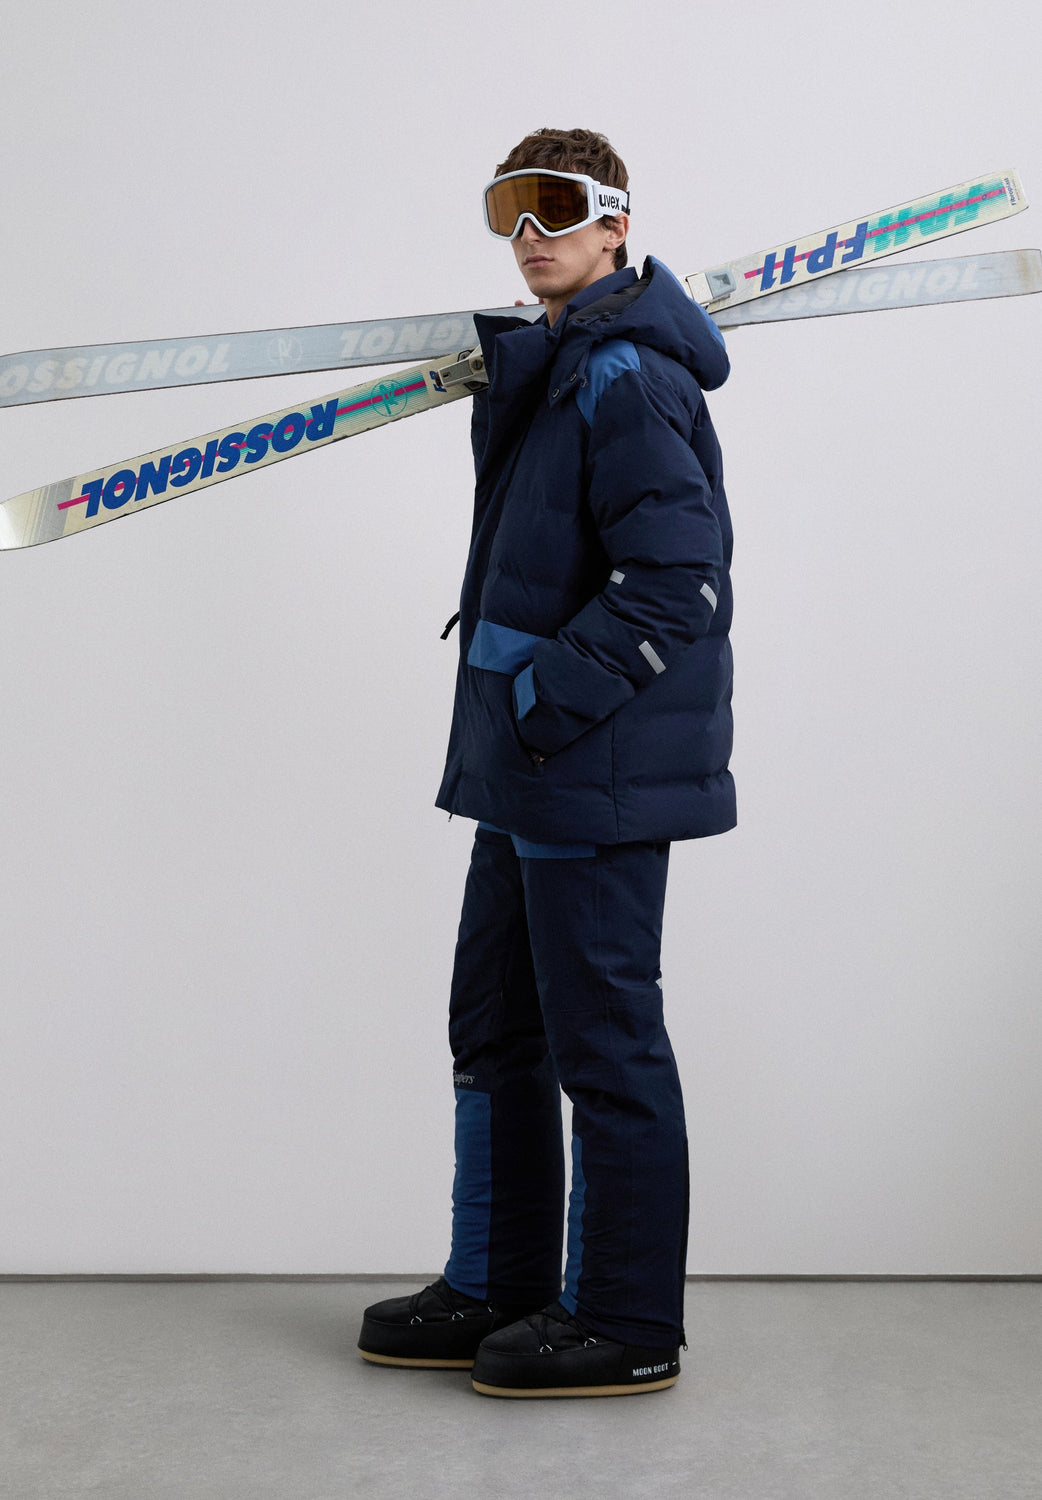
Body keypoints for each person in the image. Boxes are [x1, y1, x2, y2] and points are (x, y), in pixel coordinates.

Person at [358, 127, 734, 1398]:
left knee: (604, 1044)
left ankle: (624, 1321)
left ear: (617, 224)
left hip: (586, 766)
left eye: (556, 208)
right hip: (526, 769)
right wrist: (513, 726)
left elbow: (676, 583)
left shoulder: (623, 374)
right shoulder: (557, 361)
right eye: (507, 211)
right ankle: (500, 1281)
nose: (528, 235)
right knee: (495, 1028)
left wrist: (535, 703)